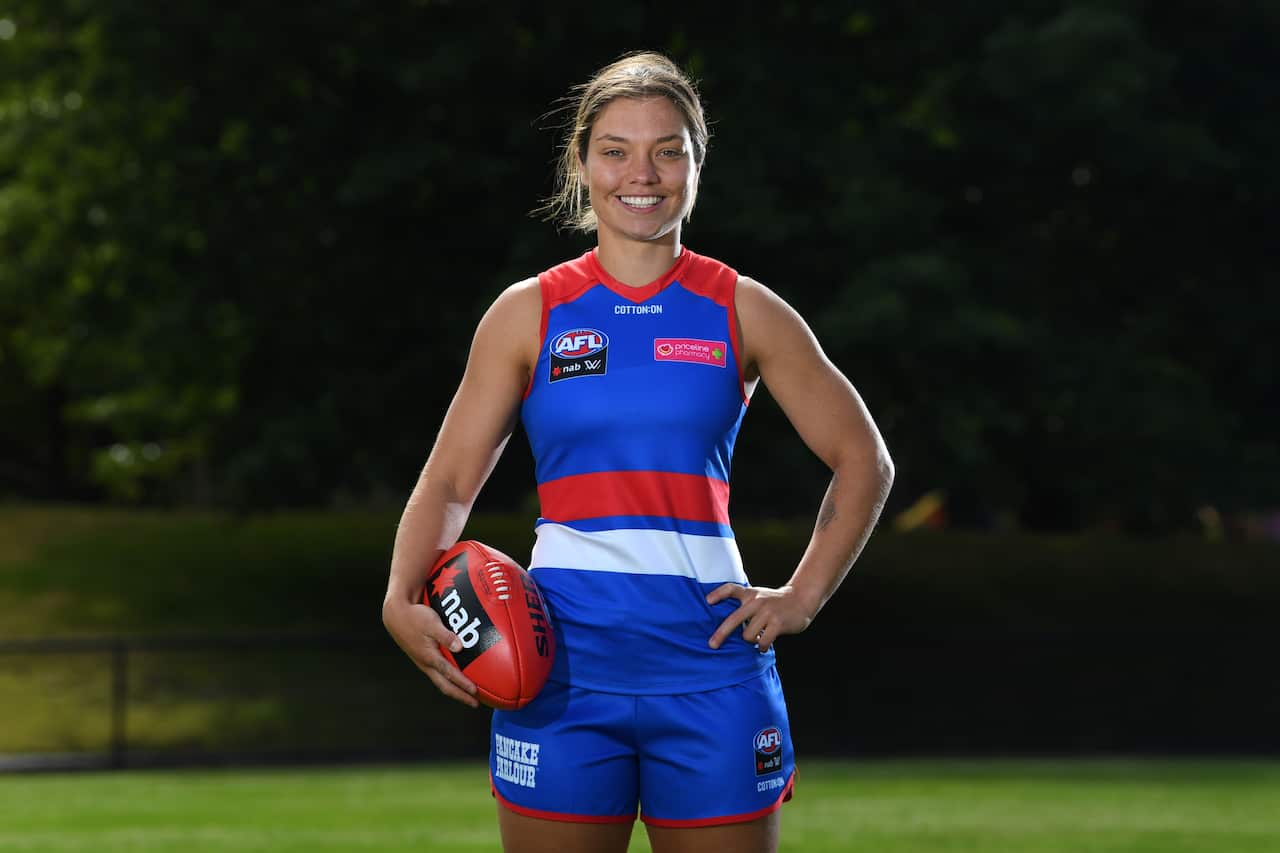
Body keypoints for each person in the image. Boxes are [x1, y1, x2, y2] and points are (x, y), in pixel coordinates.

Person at [383, 51, 894, 853]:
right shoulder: (529, 313)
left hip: (712, 670)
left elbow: (865, 459)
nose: (641, 172)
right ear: (582, 163)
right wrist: (397, 592)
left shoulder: (742, 307)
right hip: (559, 675)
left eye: (667, 149)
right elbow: (448, 479)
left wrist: (800, 596)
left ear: (695, 163)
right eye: (616, 149)